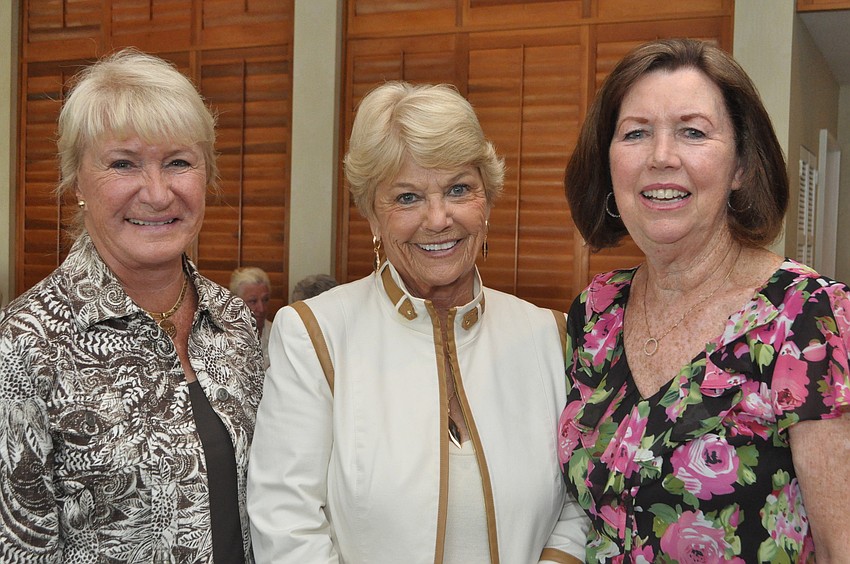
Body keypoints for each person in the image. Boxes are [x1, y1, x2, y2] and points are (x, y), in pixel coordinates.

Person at [247, 81, 588, 563]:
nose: (437, 218)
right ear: (372, 215)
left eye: (458, 190)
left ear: (486, 202)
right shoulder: (316, 333)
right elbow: (287, 521)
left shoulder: (549, 337)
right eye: (406, 197)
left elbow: (582, 497)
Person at [559, 37, 850, 562]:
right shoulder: (595, 312)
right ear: (608, 164)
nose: (661, 157)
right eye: (635, 133)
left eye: (693, 132)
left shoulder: (808, 316)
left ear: (740, 166)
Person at [0, 49, 265, 563]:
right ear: (76, 181)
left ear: (206, 176)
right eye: (123, 164)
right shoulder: (24, 344)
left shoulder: (233, 323)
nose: (158, 193)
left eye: (178, 163)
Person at [230, 266, 273, 369]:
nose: (261, 308)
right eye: (253, 301)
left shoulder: (277, 333)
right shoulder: (223, 337)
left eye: (265, 300)